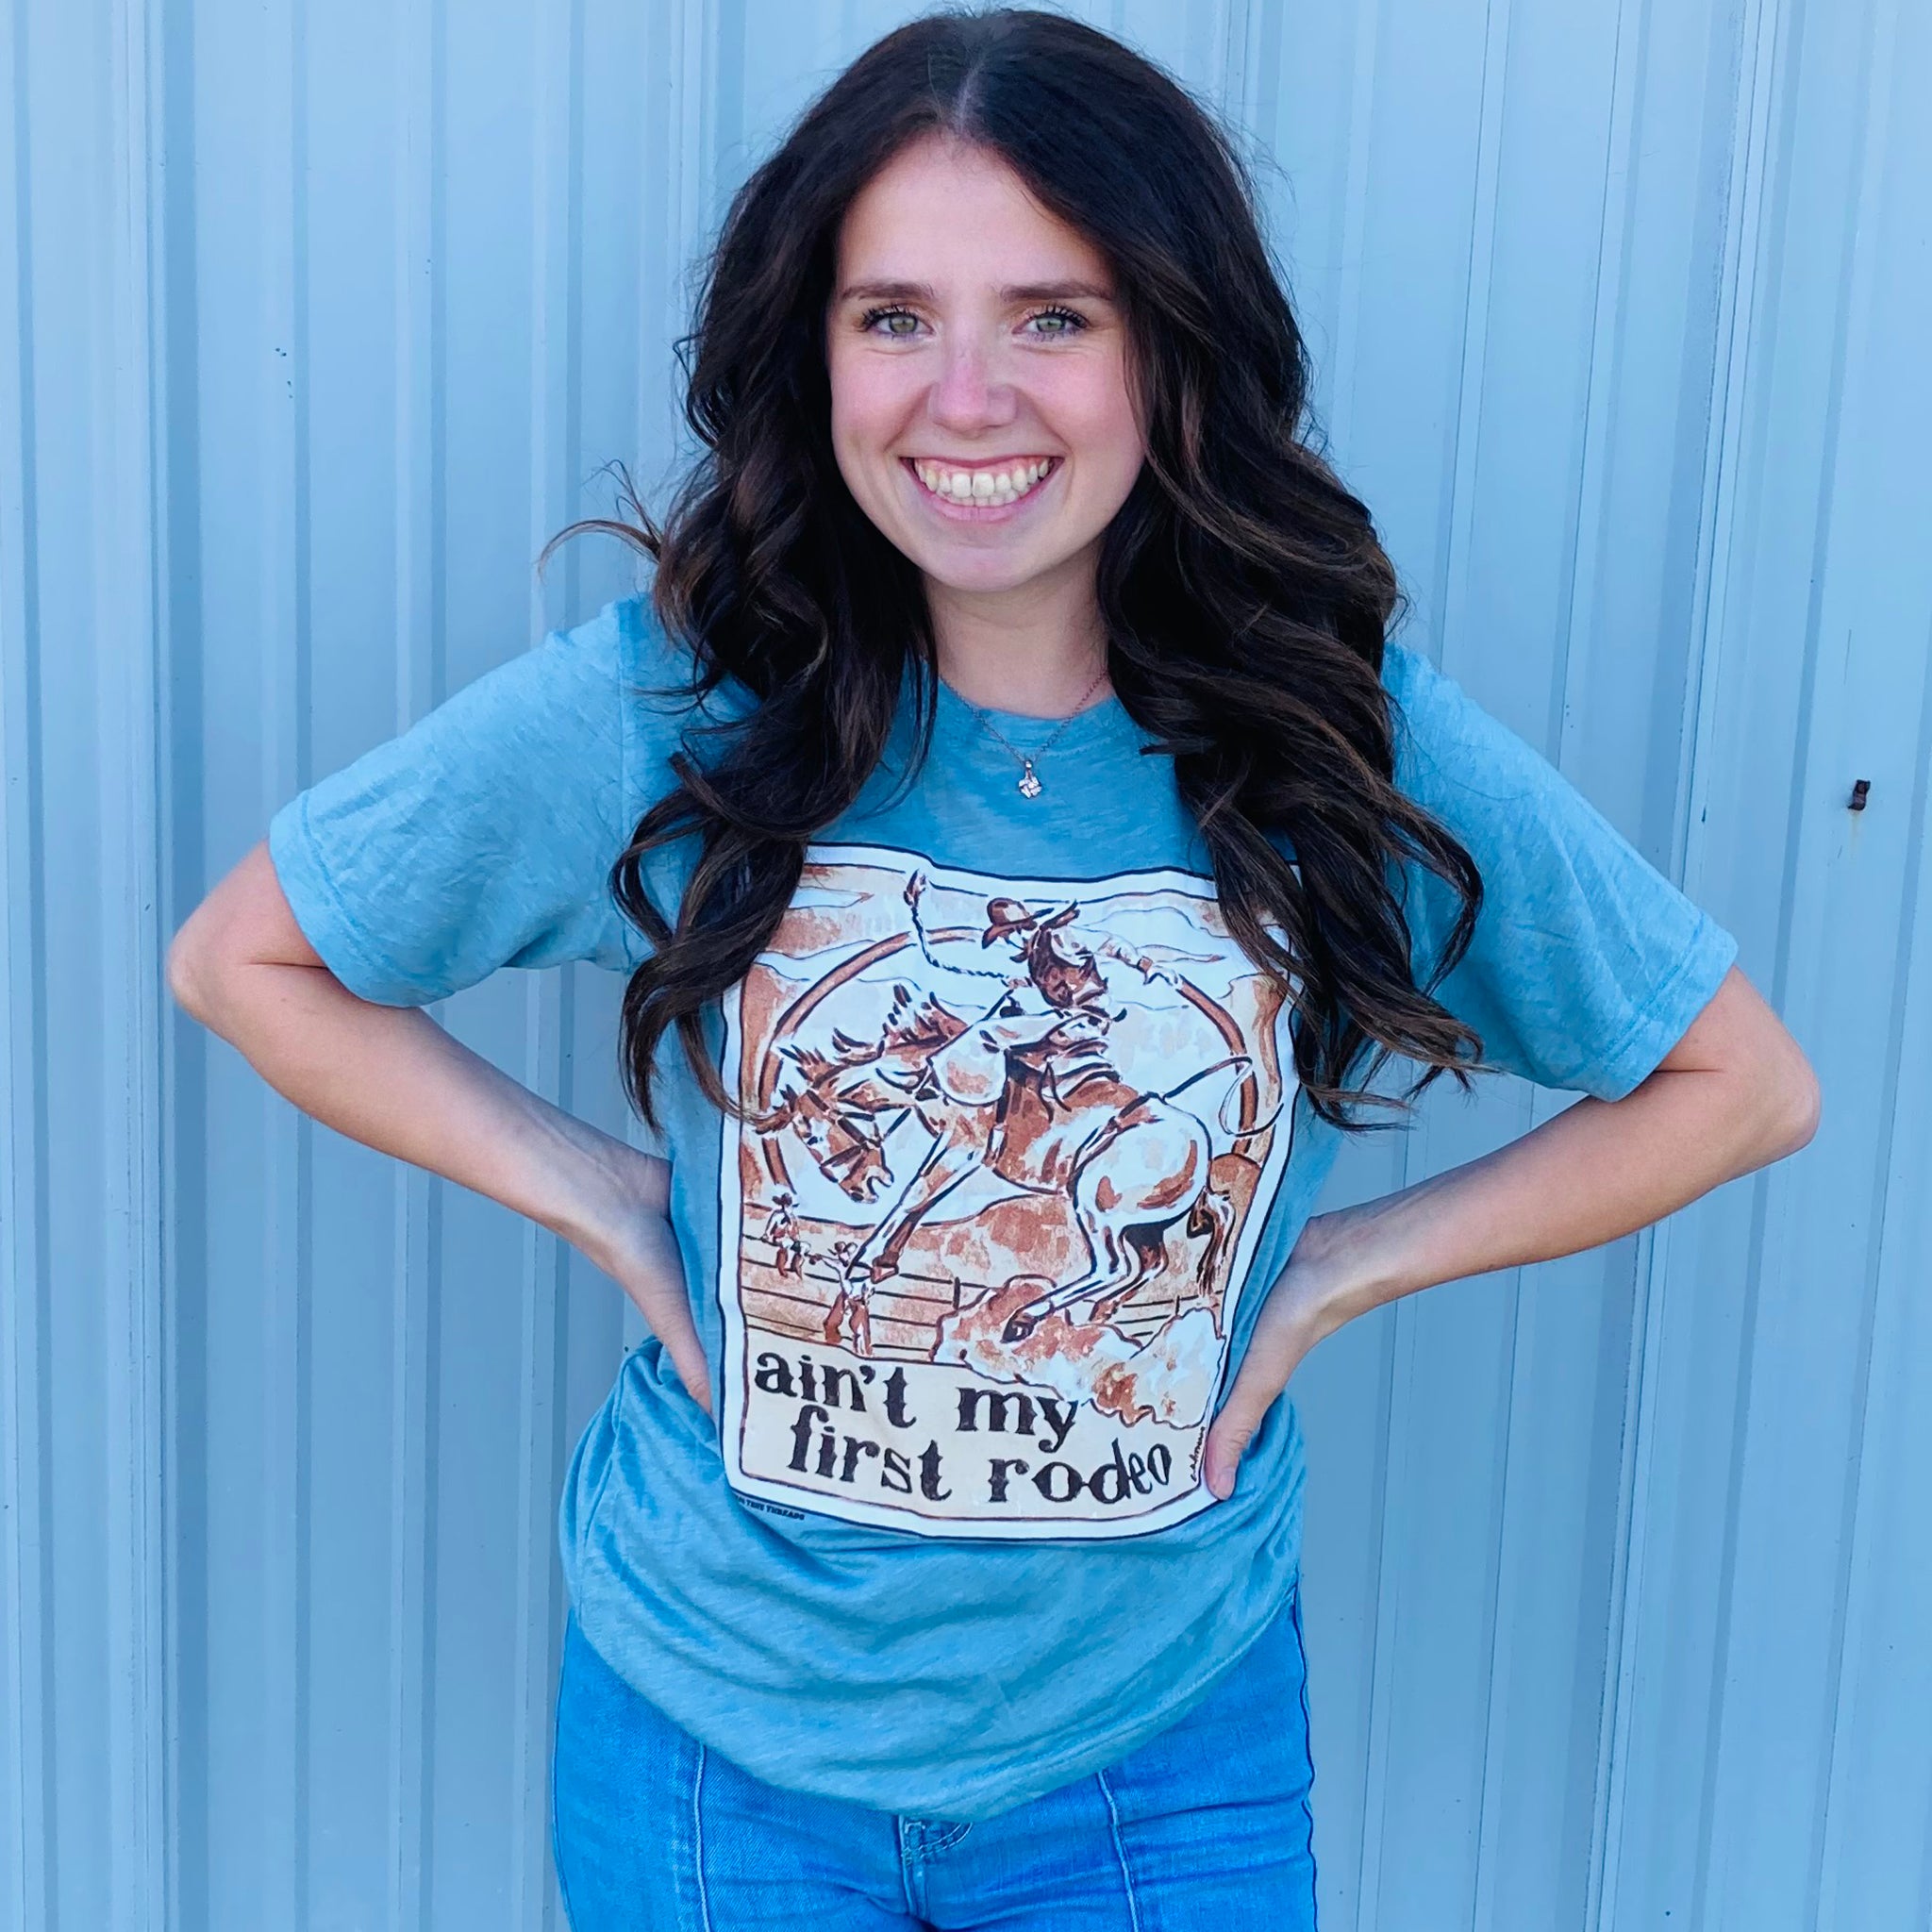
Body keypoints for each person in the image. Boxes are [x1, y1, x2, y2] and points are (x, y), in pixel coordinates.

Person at [165, 9, 1821, 1929]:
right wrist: (602, 1198)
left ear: (1167, 348)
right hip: (717, 1742)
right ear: (815, 352)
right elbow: (248, 956)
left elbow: (1740, 1084)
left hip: (1155, 1749)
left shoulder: (1323, 730)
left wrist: (1337, 1268)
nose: (965, 398)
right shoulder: (678, 707)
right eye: (894, 317)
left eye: (1052, 316)